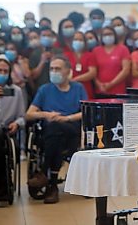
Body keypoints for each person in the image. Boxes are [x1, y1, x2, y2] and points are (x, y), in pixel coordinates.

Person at [26, 55, 87, 204]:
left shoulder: (78, 88)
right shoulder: (45, 89)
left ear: (67, 71)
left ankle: (45, 173)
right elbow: (29, 114)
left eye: (57, 69)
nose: (53, 71)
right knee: (55, 131)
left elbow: (85, 112)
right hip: (52, 131)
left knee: (57, 128)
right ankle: (52, 182)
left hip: (72, 126)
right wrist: (46, 114)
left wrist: (67, 118)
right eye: (51, 69)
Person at [0, 55, 26, 135]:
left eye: (5, 71)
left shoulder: (16, 91)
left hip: (6, 132)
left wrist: (16, 123)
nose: (2, 74)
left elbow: (22, 118)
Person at [92, 27, 131, 96]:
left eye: (110, 34)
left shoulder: (123, 49)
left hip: (118, 90)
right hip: (100, 90)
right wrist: (99, 85)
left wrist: (111, 84)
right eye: (105, 35)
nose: (108, 36)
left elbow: (125, 70)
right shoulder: (96, 51)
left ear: (114, 35)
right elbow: (93, 71)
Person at [64, 31, 97, 100]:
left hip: (86, 88)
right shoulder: (66, 55)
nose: (78, 42)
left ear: (85, 42)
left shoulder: (90, 55)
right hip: (70, 88)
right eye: (75, 39)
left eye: (80, 40)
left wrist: (76, 79)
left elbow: (92, 73)